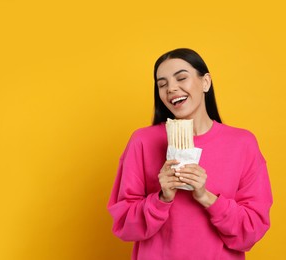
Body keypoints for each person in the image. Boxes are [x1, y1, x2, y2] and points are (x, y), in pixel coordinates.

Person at [107, 48, 272, 260]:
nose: (171, 89)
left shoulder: (243, 144)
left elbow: (251, 231)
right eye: (162, 84)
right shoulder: (142, 141)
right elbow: (124, 225)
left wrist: (206, 197)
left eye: (181, 78)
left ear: (205, 82)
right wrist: (161, 198)